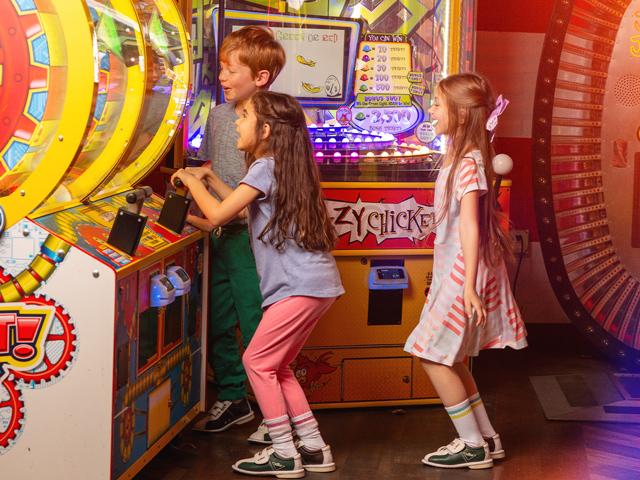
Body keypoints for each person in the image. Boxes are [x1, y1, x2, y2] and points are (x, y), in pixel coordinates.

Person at [173, 91, 344, 478]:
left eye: (245, 116)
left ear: (265, 130)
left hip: (297, 287)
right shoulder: (284, 164)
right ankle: (314, 448)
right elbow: (240, 208)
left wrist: (187, 176)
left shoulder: (264, 166)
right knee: (278, 366)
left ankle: (284, 451)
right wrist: (210, 178)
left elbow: (218, 214)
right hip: (318, 284)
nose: (237, 121)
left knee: (256, 361)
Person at [404, 73, 527, 469]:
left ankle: (471, 444)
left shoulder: (470, 161)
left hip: (462, 272)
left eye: (438, 104)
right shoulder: (467, 154)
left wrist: (468, 285)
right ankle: (487, 438)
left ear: (459, 113)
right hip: (457, 271)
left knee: (431, 355)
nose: (432, 110)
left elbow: (471, 224)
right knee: (450, 358)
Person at [188, 26, 286, 434]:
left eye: (231, 70)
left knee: (258, 323)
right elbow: (211, 170)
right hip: (220, 235)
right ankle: (233, 396)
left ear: (260, 78)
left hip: (255, 242)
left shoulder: (278, 120)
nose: (223, 78)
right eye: (222, 69)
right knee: (215, 317)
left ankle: (275, 413)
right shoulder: (217, 116)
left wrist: (211, 211)